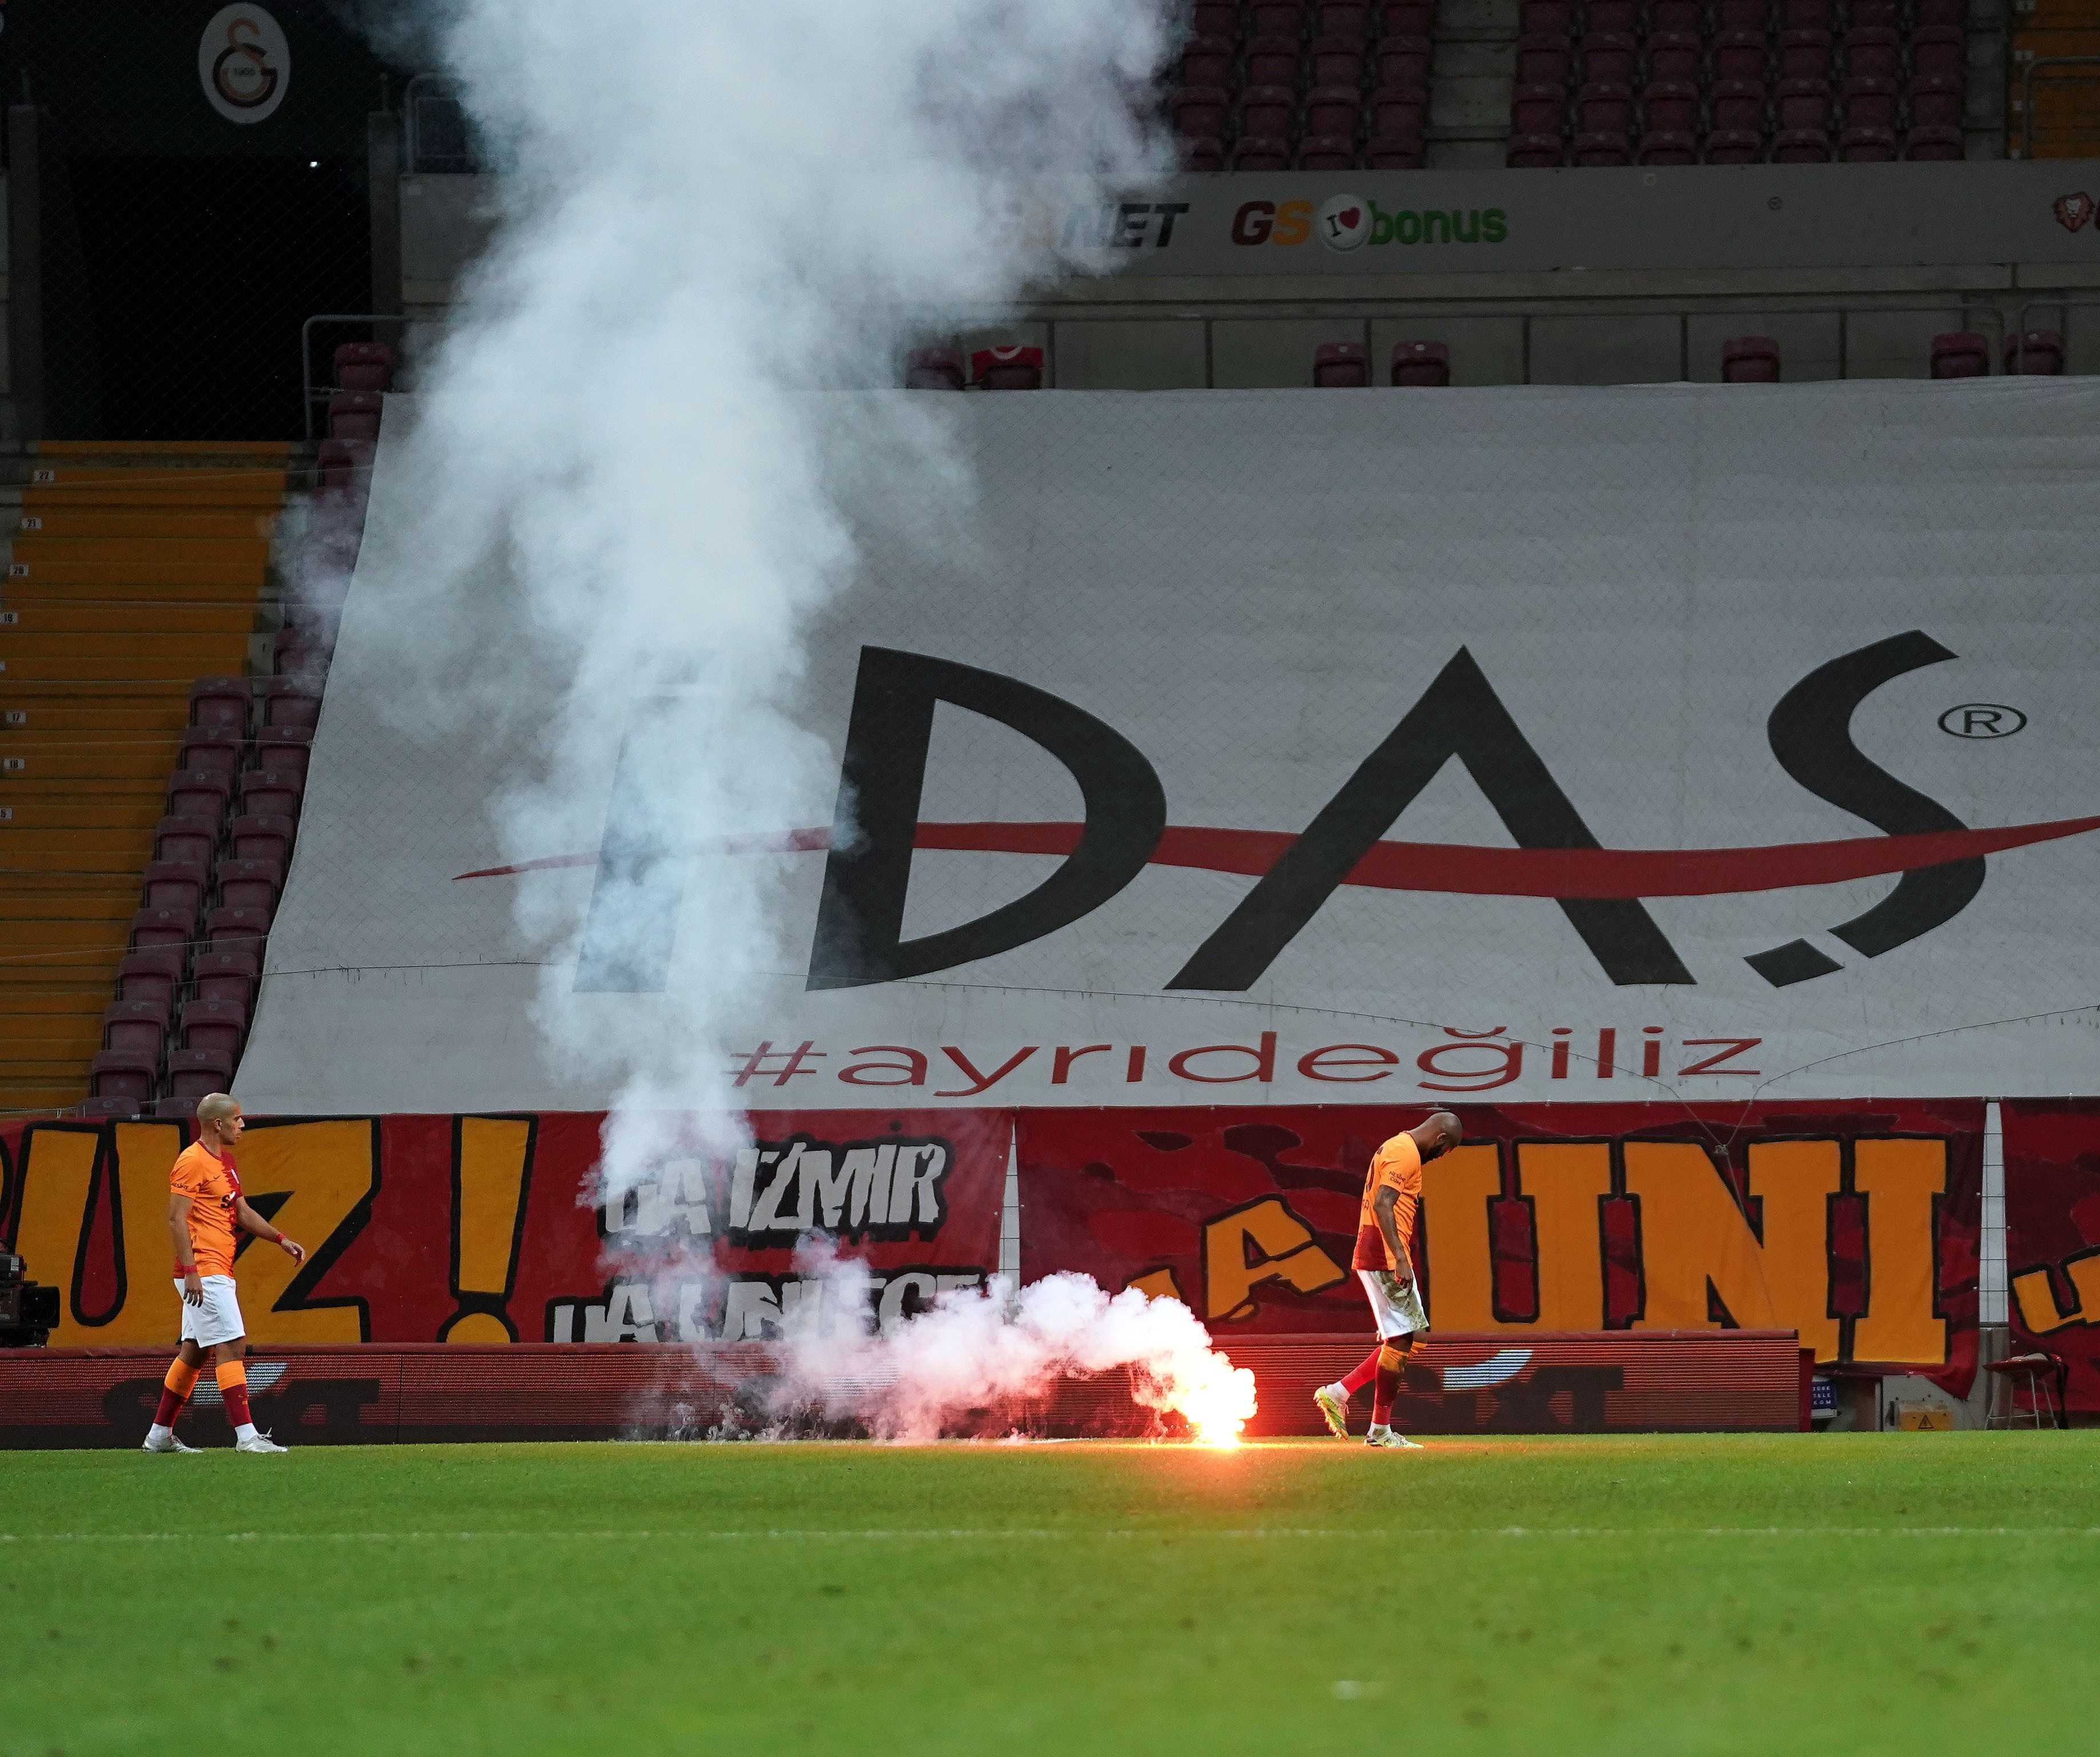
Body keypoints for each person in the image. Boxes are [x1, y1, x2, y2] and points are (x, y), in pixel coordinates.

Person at [142, 1093, 305, 1454]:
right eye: (236, 1119)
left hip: (217, 1267)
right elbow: (176, 1218)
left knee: (195, 1352)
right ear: (218, 1124)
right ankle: (247, 1437)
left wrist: (280, 1239)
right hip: (203, 1268)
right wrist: (190, 1270)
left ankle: (159, 1436)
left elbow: (242, 1212)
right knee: (232, 1345)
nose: (242, 1125)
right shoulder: (192, 1161)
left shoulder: (226, 1162)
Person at [1313, 1111, 1462, 1448]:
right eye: (1445, 1150)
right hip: (1383, 1254)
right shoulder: (1404, 1152)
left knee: (1415, 1337)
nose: (1441, 1156)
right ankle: (1380, 1431)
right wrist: (1400, 1258)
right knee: (1401, 1342)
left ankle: (1339, 1392)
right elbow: (1383, 1205)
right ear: (1440, 1139)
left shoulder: (1397, 1147)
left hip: (1383, 1252)